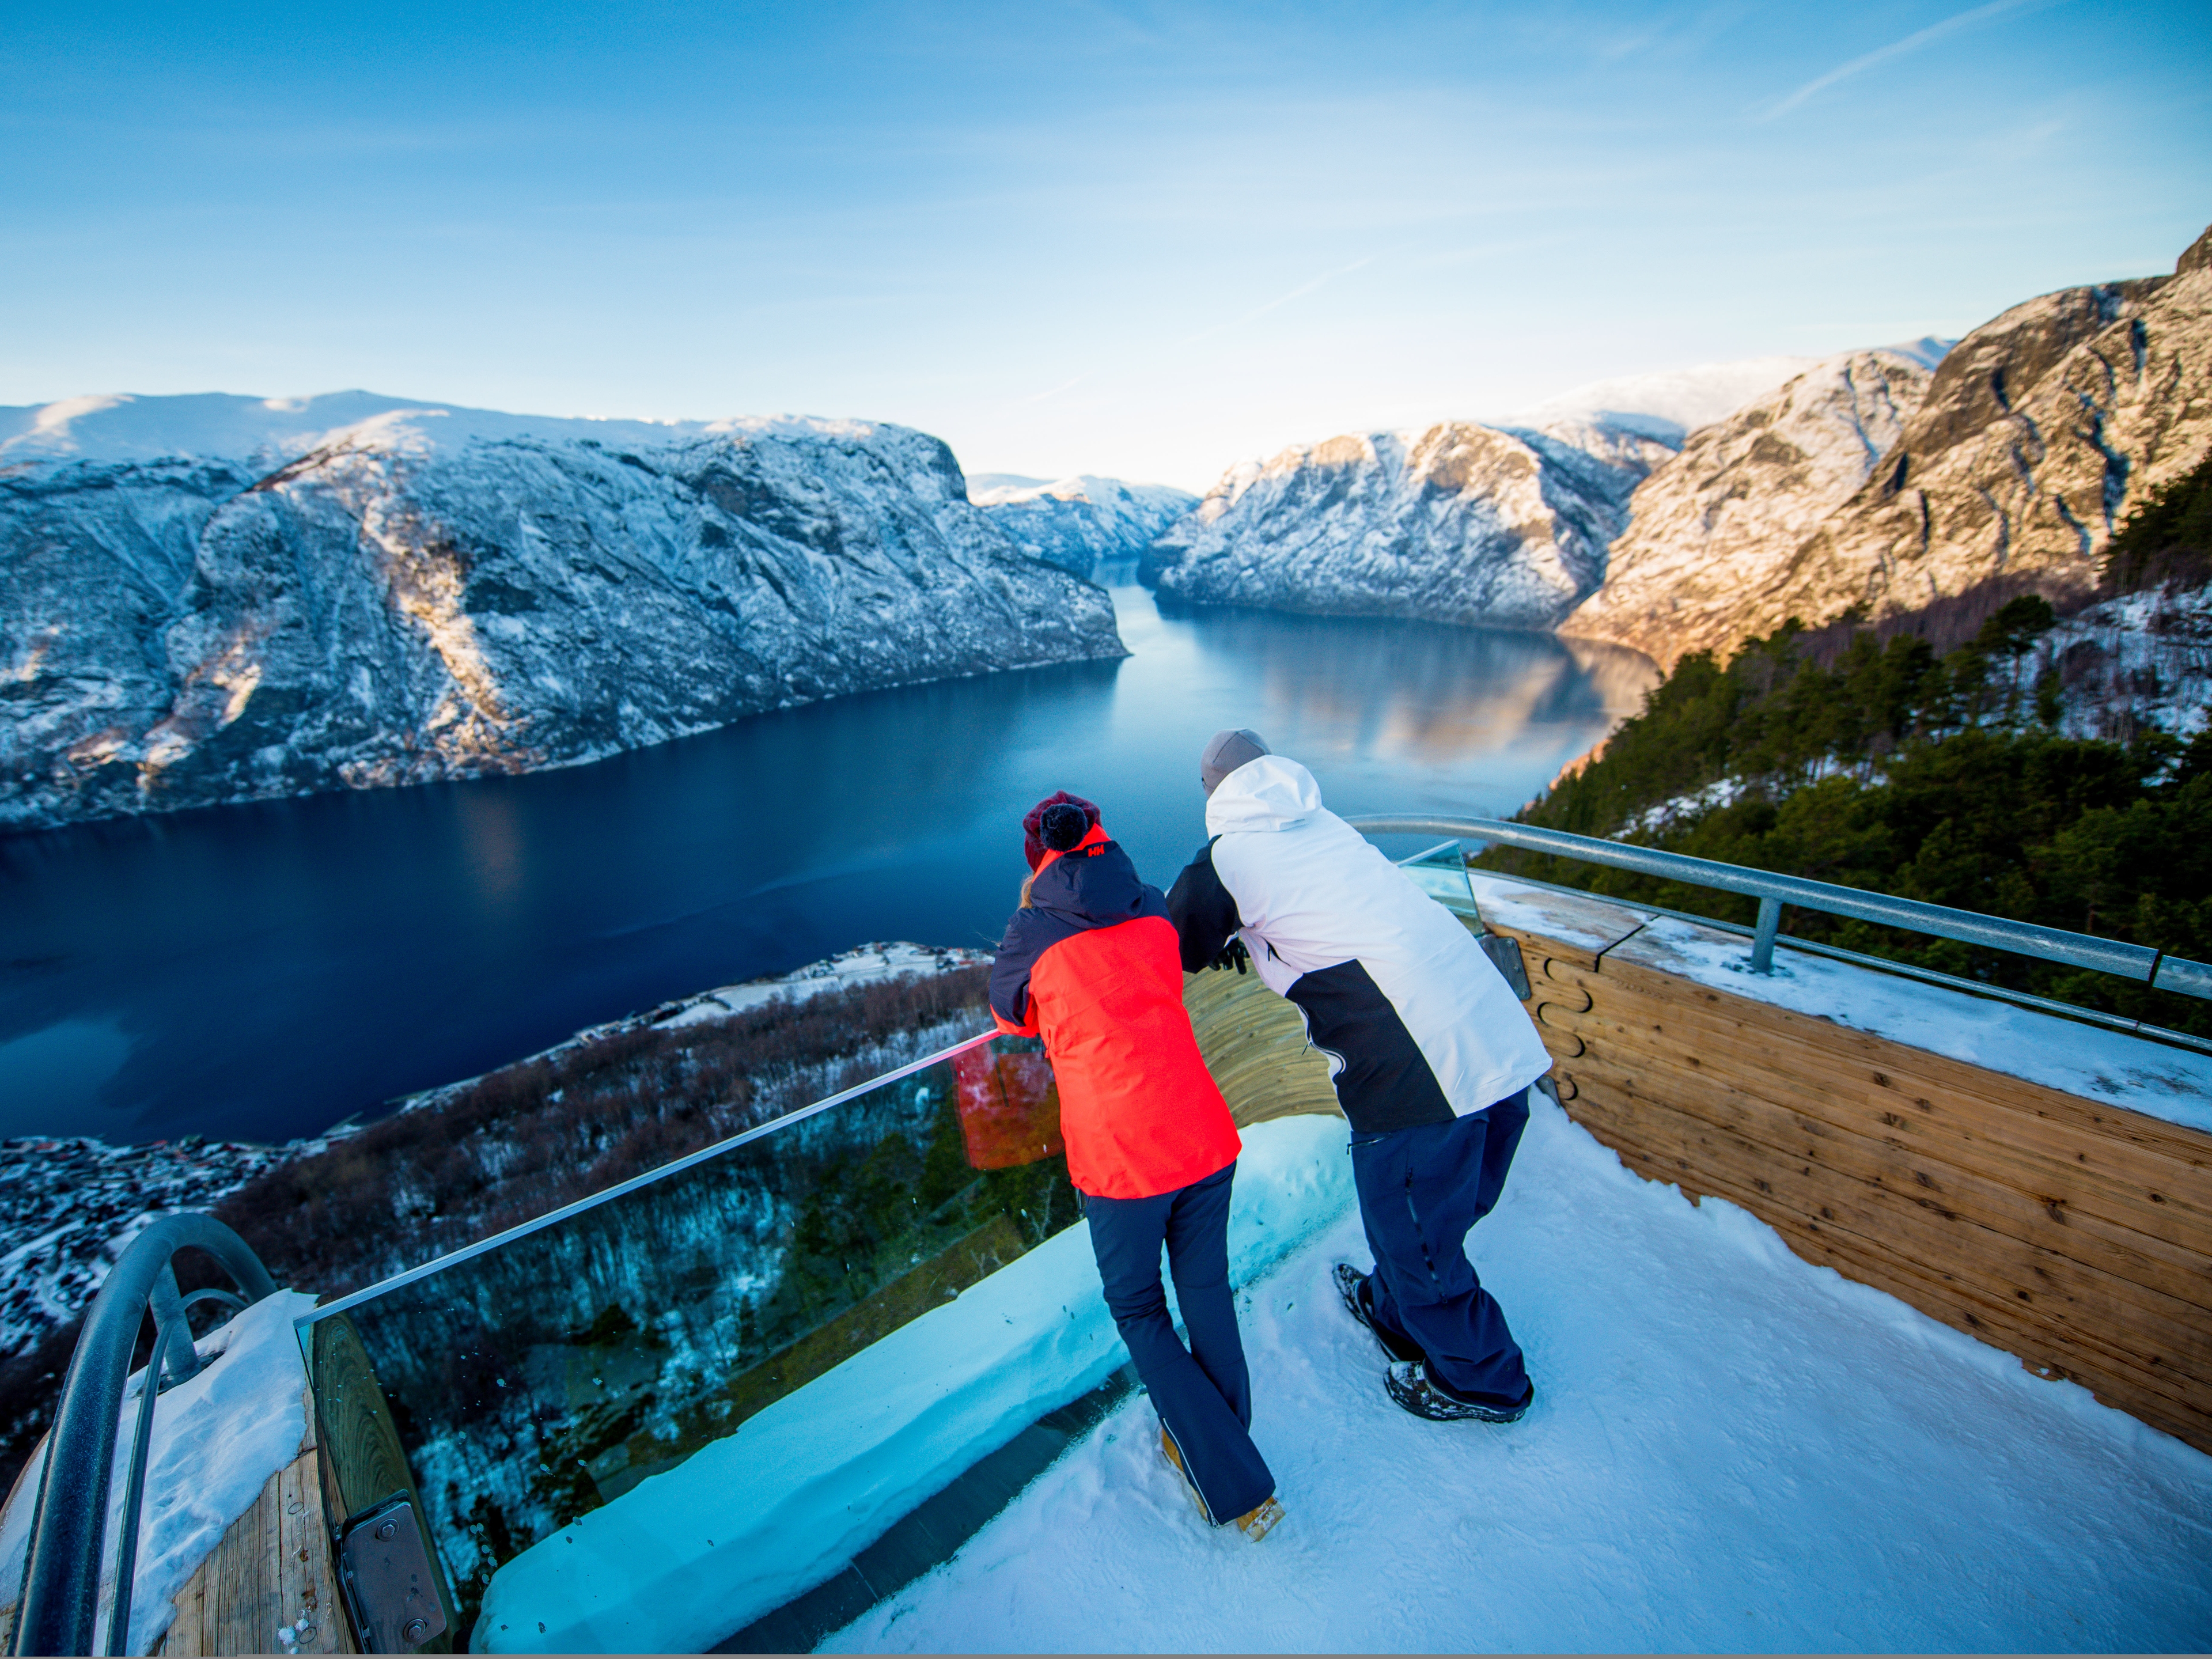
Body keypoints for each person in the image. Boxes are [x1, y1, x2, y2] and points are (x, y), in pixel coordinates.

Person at [1166, 730, 1552, 1423]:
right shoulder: (1322, 821)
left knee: (1416, 1239)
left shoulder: (1225, 860)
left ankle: (1485, 1383)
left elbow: (1165, 945)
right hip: (1497, 1041)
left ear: (1211, 790)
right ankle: (1392, 1312)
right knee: (1434, 1218)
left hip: (1419, 1074)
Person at [990, 790, 1285, 1539]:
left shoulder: (1032, 927)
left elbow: (1010, 1015)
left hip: (1122, 1155)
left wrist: (1035, 922)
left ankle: (1233, 1478)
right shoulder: (1151, 905)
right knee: (1206, 1291)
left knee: (1139, 1310)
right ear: (1101, 838)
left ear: (1039, 859)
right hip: (1201, 1130)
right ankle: (1219, 1436)